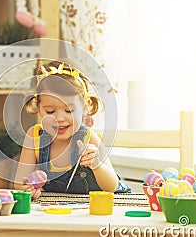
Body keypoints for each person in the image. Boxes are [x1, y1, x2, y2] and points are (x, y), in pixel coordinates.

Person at [14, 61, 119, 199]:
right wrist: (27, 188)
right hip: (55, 211)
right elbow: (20, 182)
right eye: (50, 111)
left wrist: (97, 165)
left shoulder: (89, 138)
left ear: (85, 107)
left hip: (91, 211)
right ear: (39, 109)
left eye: (69, 110)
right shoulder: (34, 137)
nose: (59, 118)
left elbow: (112, 186)